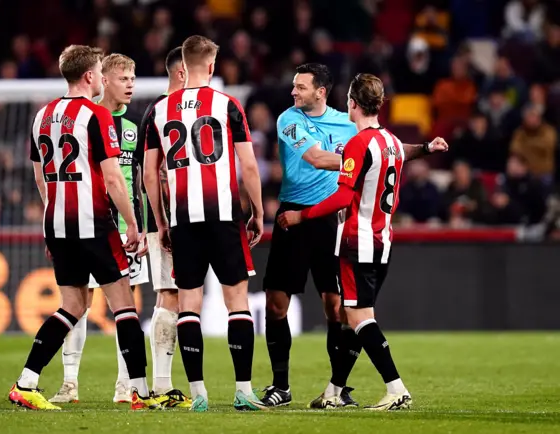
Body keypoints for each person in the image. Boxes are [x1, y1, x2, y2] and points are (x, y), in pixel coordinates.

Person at [278, 73, 448, 410]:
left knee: (357, 318)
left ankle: (396, 388)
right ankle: (334, 391)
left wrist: (301, 216)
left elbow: (342, 197)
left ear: (351, 103)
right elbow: (405, 151)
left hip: (358, 241)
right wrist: (428, 148)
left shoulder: (358, 143)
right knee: (353, 318)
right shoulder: (390, 141)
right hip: (382, 239)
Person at [8, 45, 159, 411]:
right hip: (93, 221)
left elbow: (40, 174)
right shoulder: (96, 115)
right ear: (91, 76)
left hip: (57, 222)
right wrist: (135, 225)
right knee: (124, 305)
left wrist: (50, 219)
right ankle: (139, 390)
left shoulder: (42, 115)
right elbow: (113, 179)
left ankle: (26, 382)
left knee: (72, 305)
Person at [47, 53, 183, 406]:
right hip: (90, 224)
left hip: (125, 229)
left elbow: (139, 178)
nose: (131, 85)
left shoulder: (137, 125)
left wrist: (141, 223)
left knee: (126, 303)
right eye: (124, 79)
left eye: (133, 79)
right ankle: (69, 383)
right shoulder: (85, 119)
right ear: (102, 80)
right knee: (81, 302)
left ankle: (126, 385)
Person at [143, 35, 265, 412]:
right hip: (224, 214)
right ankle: (243, 390)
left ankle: (198, 395)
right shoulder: (228, 105)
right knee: (237, 301)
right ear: (211, 66)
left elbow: (150, 174)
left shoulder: (159, 110)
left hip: (183, 218)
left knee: (189, 304)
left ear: (182, 66)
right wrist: (258, 211)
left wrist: (161, 222)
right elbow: (247, 164)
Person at [261, 63, 360, 409]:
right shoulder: (288, 119)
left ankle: (339, 389)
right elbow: (316, 158)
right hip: (292, 215)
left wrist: (421, 148)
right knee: (276, 303)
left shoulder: (347, 124)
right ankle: (280, 386)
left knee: (336, 307)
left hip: (329, 219)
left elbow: (380, 146)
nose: (293, 92)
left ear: (321, 91)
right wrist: (359, 160)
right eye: (293, 86)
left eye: (301, 87)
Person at [137, 46, 192, 408]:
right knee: (169, 294)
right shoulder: (160, 111)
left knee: (173, 294)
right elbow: (148, 172)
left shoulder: (178, 112)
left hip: (182, 217)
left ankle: (159, 384)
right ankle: (160, 386)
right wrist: (159, 220)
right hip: (168, 218)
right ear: (182, 73)